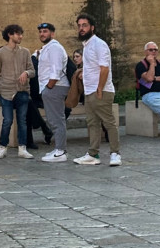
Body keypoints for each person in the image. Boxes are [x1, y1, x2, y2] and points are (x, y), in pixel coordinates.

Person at [74, 14, 121, 166]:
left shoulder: (99, 44)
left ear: (92, 27)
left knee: (108, 122)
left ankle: (115, 153)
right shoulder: (86, 45)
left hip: (101, 90)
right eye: (79, 25)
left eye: (85, 25)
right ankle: (93, 154)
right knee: (92, 123)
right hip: (90, 91)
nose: (82, 28)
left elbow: (104, 69)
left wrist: (99, 88)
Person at [0, 24, 33, 159]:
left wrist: (26, 73)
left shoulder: (25, 52)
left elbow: (32, 70)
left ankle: (22, 148)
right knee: (7, 120)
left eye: (21, 34)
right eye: (17, 33)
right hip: (6, 92)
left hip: (22, 91)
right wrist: (1, 86)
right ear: (10, 35)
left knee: (22, 121)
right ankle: (3, 147)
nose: (20, 36)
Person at [36, 23, 69, 162]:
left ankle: (61, 151)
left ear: (52, 34)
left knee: (56, 120)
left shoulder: (54, 48)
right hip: (51, 88)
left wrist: (48, 88)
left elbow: (56, 70)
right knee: (53, 119)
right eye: (40, 32)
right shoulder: (47, 48)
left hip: (55, 87)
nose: (42, 34)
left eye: (45, 31)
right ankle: (58, 149)